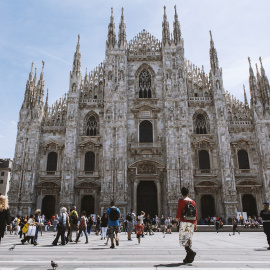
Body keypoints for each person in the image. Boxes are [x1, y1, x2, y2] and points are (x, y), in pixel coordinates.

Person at [176, 187, 197, 264]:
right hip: (192, 222)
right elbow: (196, 214)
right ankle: (188, 257)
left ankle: (191, 252)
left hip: (185, 222)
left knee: (182, 240)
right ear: (188, 193)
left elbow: (179, 212)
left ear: (181, 193)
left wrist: (175, 222)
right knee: (188, 240)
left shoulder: (181, 201)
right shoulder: (193, 201)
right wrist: (195, 224)